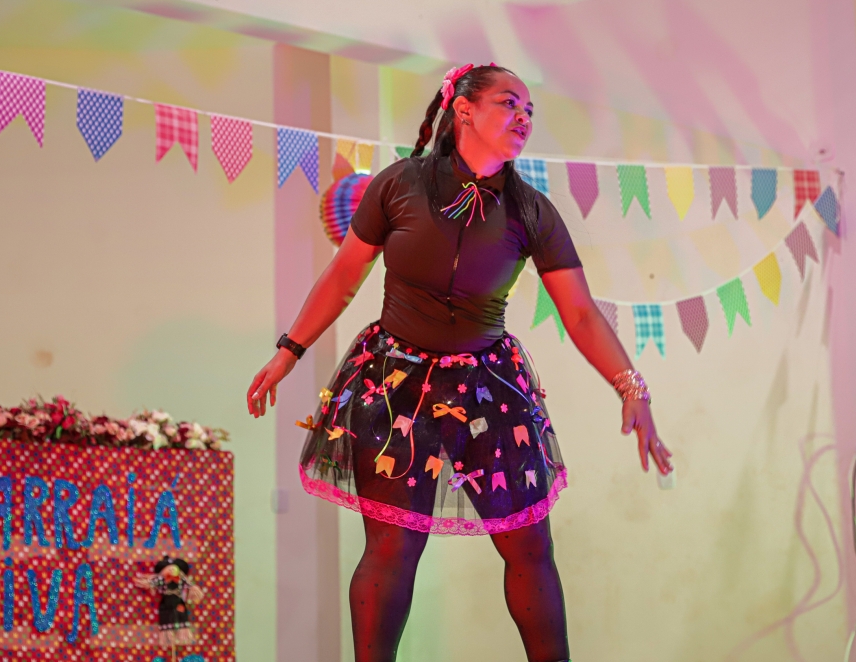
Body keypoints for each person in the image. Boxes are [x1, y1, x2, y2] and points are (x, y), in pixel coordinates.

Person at [247, 64, 672, 662]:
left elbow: (580, 314)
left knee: (530, 548)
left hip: (488, 388)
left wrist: (633, 388)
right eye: (509, 102)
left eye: (530, 110)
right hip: (393, 386)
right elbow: (343, 277)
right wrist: (288, 351)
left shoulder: (531, 211)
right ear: (464, 109)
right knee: (393, 550)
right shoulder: (399, 184)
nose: (523, 117)